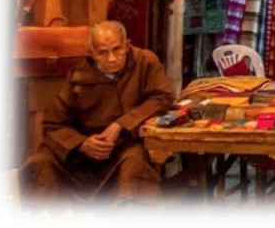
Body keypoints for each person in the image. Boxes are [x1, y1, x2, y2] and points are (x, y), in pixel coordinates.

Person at [20, 21, 175, 205]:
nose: (111, 58)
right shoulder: (79, 75)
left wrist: (120, 125)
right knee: (40, 162)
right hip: (84, 153)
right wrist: (82, 143)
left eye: (117, 49)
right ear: (92, 54)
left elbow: (163, 98)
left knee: (135, 163)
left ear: (127, 45)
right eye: (103, 52)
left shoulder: (145, 62)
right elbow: (54, 124)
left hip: (126, 145)